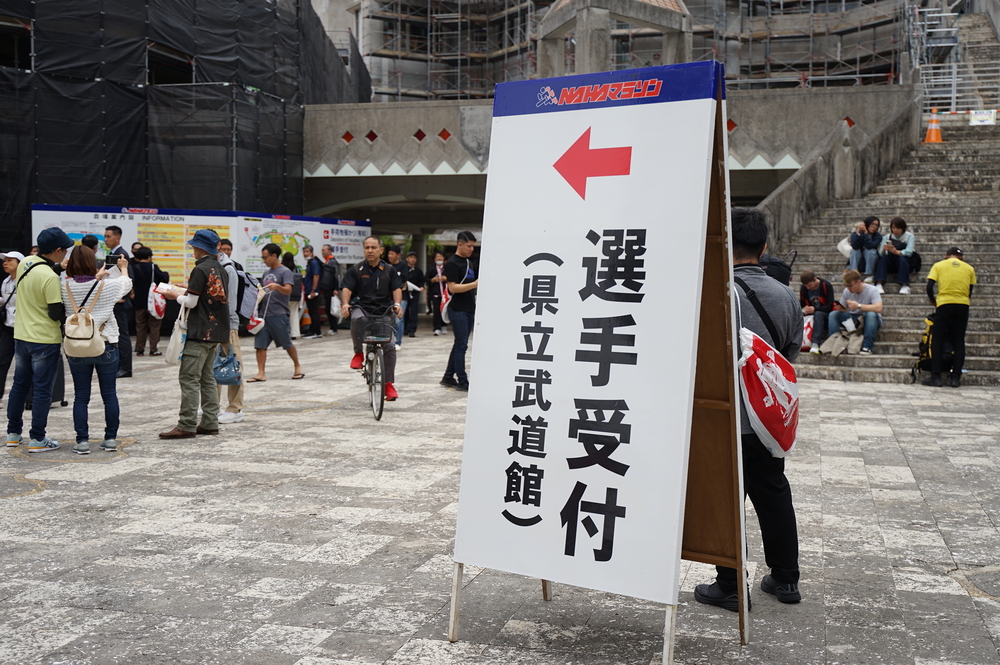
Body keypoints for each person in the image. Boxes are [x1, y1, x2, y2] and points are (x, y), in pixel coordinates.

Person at [694, 208, 802, 612]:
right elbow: (789, 355)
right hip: (767, 420)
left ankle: (730, 584)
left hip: (722, 418)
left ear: (725, 244)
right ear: (765, 247)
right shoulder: (786, 295)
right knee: (773, 492)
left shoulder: (714, 294)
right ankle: (786, 579)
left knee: (726, 500)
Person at [5, 227, 74, 452]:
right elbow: (55, 313)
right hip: (44, 339)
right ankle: (38, 438)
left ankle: (13, 434)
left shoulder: (26, 262)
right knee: (43, 390)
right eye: (65, 250)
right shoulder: (50, 278)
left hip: (21, 335)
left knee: (19, 386)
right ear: (58, 250)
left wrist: (58, 267)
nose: (66, 254)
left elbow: (40, 271)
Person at [158, 229, 229, 439]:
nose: (192, 249)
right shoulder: (220, 268)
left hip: (199, 331)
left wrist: (174, 295)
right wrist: (186, 290)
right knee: (207, 379)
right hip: (216, 331)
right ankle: (210, 422)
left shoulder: (200, 269)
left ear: (199, 247)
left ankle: (186, 424)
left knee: (189, 379)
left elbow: (191, 302)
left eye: (194, 246)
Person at [61, 247, 132, 454]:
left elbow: (82, 286)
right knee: (109, 394)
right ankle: (110, 439)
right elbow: (126, 284)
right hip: (105, 343)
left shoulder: (63, 286)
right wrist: (123, 268)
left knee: (81, 396)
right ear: (93, 263)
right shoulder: (107, 286)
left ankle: (82, 441)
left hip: (76, 346)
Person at [340, 236, 403, 401]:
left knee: (390, 346)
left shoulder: (390, 270)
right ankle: (358, 353)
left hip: (383, 312)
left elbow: (397, 288)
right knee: (356, 319)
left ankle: (388, 384)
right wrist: (345, 304)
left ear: (381, 250)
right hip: (362, 309)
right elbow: (346, 288)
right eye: (367, 247)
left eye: (373, 247)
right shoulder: (356, 269)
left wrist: (397, 304)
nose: (370, 250)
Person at [249, 244, 304, 382]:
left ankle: (297, 366)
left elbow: (288, 290)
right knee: (260, 345)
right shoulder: (266, 273)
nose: (264, 260)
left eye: (265, 257)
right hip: (264, 314)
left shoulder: (285, 272)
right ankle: (261, 372)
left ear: (274, 256)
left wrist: (278, 287)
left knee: (286, 343)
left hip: (279, 313)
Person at [923, 247, 976, 388]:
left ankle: (936, 377)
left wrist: (933, 300)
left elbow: (929, 287)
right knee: (959, 340)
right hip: (962, 305)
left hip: (944, 304)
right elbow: (970, 290)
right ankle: (955, 377)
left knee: (938, 339)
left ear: (946, 255)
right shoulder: (969, 268)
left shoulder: (938, 265)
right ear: (961, 257)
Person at [440, 232, 479, 392]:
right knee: (462, 345)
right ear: (460, 244)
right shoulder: (452, 263)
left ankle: (448, 377)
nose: (471, 249)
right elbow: (453, 287)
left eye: (472, 246)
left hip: (469, 308)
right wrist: (474, 284)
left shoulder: (469, 262)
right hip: (457, 309)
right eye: (468, 246)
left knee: (459, 344)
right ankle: (462, 380)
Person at [216, 240, 245, 422]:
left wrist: (226, 327)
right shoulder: (212, 265)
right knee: (213, 366)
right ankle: (212, 405)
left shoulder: (228, 268)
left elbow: (231, 303)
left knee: (234, 365)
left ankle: (235, 409)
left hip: (227, 325)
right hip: (213, 325)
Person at [827, 270, 883, 355]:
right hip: (853, 318)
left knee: (871, 314)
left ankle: (867, 346)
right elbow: (843, 307)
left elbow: (879, 308)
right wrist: (840, 308)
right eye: (846, 285)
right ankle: (833, 344)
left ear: (858, 282)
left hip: (868, 319)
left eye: (850, 286)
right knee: (833, 314)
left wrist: (859, 306)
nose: (848, 288)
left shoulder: (872, 290)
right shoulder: (847, 291)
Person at [104, 225, 134, 377]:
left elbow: (128, 276)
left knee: (122, 335)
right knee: (117, 334)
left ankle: (125, 367)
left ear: (117, 238)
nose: (105, 239)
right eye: (105, 236)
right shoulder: (113, 253)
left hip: (120, 301)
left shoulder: (121, 254)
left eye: (108, 236)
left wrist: (123, 296)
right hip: (113, 299)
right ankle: (119, 366)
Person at [131, 246, 169, 357]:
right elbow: (163, 279)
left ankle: (140, 349)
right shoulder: (153, 267)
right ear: (149, 256)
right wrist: (166, 273)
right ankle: (153, 350)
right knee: (154, 326)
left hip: (139, 302)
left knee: (140, 326)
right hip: (153, 302)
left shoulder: (134, 268)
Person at [0, 251, 24, 401]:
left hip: (23, 329)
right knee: (2, 361)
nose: (5, 263)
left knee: (23, 365)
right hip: (8, 328)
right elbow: (6, 302)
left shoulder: (25, 281)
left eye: (10, 260)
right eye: (5, 260)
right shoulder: (6, 282)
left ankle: (27, 396)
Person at [874, 217, 915, 295]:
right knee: (883, 259)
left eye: (898, 228)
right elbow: (880, 253)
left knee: (902, 259)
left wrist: (896, 252)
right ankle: (879, 283)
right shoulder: (887, 237)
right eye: (893, 228)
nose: (895, 230)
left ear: (903, 228)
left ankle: (904, 285)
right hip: (890, 262)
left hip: (904, 263)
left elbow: (909, 252)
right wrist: (884, 250)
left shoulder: (909, 236)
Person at [799, 270, 835, 353]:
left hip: (824, 314)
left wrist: (815, 309)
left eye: (809, 285)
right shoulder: (804, 289)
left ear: (815, 279)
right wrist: (804, 310)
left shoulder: (826, 285)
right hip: (810, 314)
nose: (808, 288)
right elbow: (802, 304)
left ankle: (815, 343)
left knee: (818, 314)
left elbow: (829, 306)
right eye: (806, 286)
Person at [386, 245, 406, 350]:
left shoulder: (403, 266)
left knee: (398, 320)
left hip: (401, 297)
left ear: (398, 255)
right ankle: (390, 340)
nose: (390, 256)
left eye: (392, 254)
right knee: (389, 320)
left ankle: (398, 342)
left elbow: (403, 279)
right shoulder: (385, 266)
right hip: (388, 297)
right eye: (389, 253)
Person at [301, 245, 323, 338]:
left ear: (311, 252)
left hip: (312, 291)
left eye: (307, 251)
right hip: (308, 290)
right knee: (312, 311)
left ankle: (315, 331)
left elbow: (316, 276)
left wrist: (313, 290)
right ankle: (315, 331)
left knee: (313, 311)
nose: (305, 253)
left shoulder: (314, 262)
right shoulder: (310, 262)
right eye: (304, 252)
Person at [403, 251, 425, 337]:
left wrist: (421, 287)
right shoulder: (404, 269)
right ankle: (405, 329)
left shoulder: (418, 271)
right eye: (411, 257)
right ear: (407, 259)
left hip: (415, 293)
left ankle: (412, 329)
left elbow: (422, 280)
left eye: (414, 258)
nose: (412, 259)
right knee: (405, 311)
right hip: (405, 292)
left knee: (414, 311)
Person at [426, 251, 448, 335]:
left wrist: (446, 278)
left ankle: (444, 325)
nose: (439, 258)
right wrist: (432, 280)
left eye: (440, 256)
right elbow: (426, 279)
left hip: (445, 293)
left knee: (445, 310)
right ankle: (437, 327)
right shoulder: (431, 269)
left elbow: (453, 278)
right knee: (436, 311)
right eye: (437, 257)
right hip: (436, 293)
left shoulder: (447, 268)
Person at [319, 244, 340, 336]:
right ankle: (332, 327)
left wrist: (336, 288)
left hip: (331, 288)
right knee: (328, 308)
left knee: (330, 308)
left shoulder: (332, 261)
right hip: (326, 288)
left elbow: (336, 275)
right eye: (322, 250)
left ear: (330, 251)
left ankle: (334, 328)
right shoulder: (326, 261)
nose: (322, 252)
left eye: (324, 250)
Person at [282, 252, 304, 340]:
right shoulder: (297, 269)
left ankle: (284, 333)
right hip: (295, 295)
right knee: (294, 314)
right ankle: (294, 333)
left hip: (284, 294)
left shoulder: (282, 269)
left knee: (282, 314)